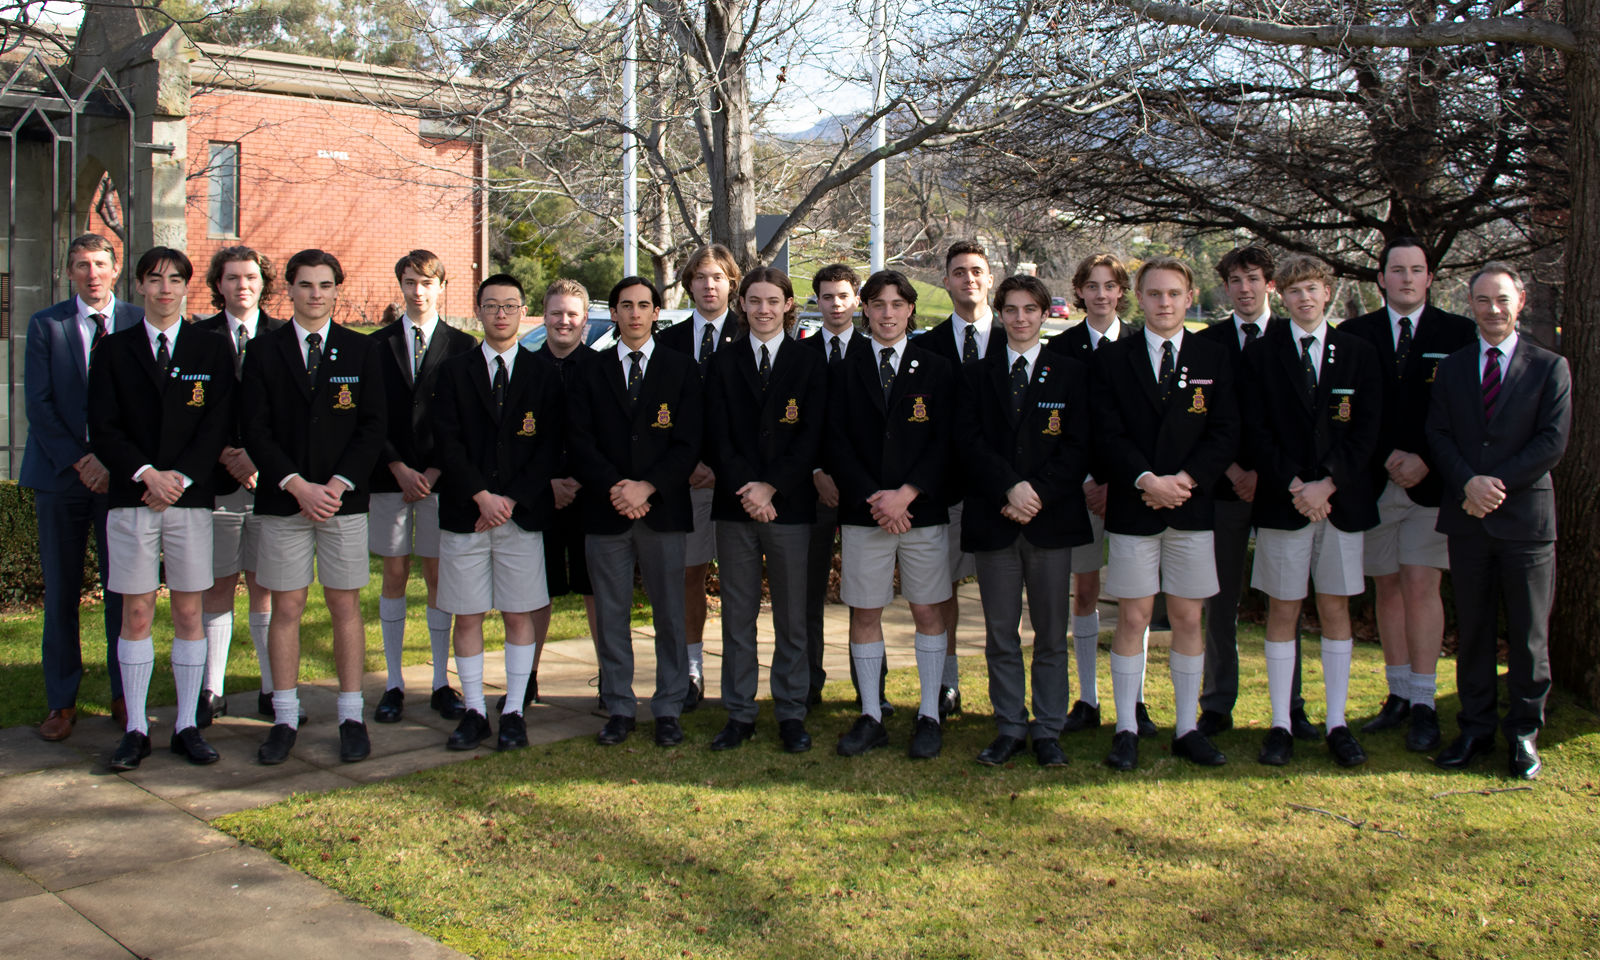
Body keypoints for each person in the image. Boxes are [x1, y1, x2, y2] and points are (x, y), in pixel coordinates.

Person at [87, 247, 234, 769]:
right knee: (137, 610)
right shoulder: (113, 350)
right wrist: (147, 475)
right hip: (133, 497)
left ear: (188, 286)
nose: (165, 289)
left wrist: (181, 477)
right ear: (140, 287)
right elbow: (104, 427)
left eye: (175, 279)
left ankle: (187, 725)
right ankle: (134, 729)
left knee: (190, 610)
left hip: (190, 499)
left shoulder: (210, 351)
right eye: (155, 279)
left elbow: (217, 424)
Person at [1090, 256, 1237, 771]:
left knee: (1188, 617)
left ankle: (1187, 728)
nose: (1165, 303)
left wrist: (1186, 482)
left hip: (1192, 509)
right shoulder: (1115, 359)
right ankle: (1127, 726)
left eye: (1174, 293)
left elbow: (1224, 433)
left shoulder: (1213, 357)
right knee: (1132, 617)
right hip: (1135, 506)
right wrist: (1146, 480)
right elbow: (1107, 432)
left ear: (1189, 296)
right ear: (1140, 298)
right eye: (1154, 294)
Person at [241, 249, 387, 765]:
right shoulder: (263, 353)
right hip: (285, 503)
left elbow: (373, 426)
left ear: (336, 292)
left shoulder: (362, 351)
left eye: (325, 285)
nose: (315, 294)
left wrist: (338, 484)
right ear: (289, 290)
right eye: (305, 285)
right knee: (287, 607)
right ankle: (283, 717)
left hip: (342, 504)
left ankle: (351, 715)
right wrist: (297, 485)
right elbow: (254, 429)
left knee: (345, 606)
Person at [1426, 262, 1571, 780]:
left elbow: (1551, 443)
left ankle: (1525, 733)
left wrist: (1492, 486)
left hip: (1526, 524)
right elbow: (1437, 434)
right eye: (1483, 300)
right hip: (1468, 521)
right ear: (1472, 304)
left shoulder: (1550, 367)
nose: (1492, 310)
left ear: (1521, 301)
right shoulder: (1455, 367)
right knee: (1475, 632)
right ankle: (1474, 729)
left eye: (1502, 300)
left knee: (1530, 635)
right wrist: (1468, 483)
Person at [1240, 254, 1382, 768]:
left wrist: (1328, 484)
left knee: (1336, 609)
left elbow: (1367, 429)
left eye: (1313, 288)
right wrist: (1299, 484)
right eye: (1294, 289)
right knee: (1283, 609)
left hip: (1339, 503)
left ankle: (1338, 723)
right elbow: (1256, 430)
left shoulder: (1358, 354)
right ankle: (1280, 723)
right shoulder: (1261, 355)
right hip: (1286, 500)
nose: (1304, 298)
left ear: (1328, 292)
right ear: (1281, 294)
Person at [1341, 238, 1476, 752]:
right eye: (1396, 270)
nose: (1406, 279)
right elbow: (1348, 411)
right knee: (1388, 590)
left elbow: (1463, 414)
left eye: (1416, 270)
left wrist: (1425, 457)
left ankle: (1424, 702)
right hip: (1371, 484)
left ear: (1429, 278)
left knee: (1422, 585)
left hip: (1431, 484)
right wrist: (1378, 461)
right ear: (1381, 279)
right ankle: (1397, 695)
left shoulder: (1458, 334)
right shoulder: (1354, 335)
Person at [955, 274, 1091, 768]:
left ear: (1043, 314)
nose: (1019, 318)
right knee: (1000, 632)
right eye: (1010, 309)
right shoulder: (976, 374)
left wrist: (1037, 494)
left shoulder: (1071, 373)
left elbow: (1078, 447)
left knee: (1052, 632)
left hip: (1050, 522)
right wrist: (1007, 488)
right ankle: (1010, 725)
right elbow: (969, 443)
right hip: (996, 519)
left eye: (1029, 309)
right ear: (1001, 313)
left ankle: (1049, 728)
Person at [430, 274, 565, 751]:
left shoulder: (544, 374)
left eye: (510, 306)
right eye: (492, 306)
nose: (501, 314)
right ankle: (471, 709)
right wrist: (480, 496)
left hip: (520, 514)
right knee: (466, 616)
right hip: (467, 514)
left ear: (522, 310)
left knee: (518, 613)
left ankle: (512, 710)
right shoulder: (452, 372)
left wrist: (509, 499)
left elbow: (550, 446)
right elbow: (446, 442)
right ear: (479, 311)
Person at [827, 270, 957, 759]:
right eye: (877, 304)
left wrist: (907, 493)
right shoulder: (844, 367)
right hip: (867, 513)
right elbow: (835, 441)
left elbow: (946, 442)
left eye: (896, 304)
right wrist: (875, 498)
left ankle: (928, 713)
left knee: (927, 610)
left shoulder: (938, 367)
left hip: (921, 511)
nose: (886, 314)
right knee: (865, 611)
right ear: (865, 309)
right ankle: (871, 715)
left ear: (910, 310)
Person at [569, 276, 702, 748]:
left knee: (669, 612)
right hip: (606, 511)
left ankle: (668, 705)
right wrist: (616, 488)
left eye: (644, 305)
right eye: (625, 306)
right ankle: (619, 705)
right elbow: (579, 441)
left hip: (662, 510)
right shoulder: (590, 369)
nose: (634, 314)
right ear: (615, 313)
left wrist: (647, 487)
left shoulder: (681, 369)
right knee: (611, 612)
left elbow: (688, 443)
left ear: (656, 313)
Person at [1192, 245, 1317, 741]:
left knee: (1288, 599)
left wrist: (1266, 474)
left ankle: (1292, 705)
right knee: (1219, 599)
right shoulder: (1210, 343)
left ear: (1271, 285)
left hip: (1283, 489)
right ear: (1225, 287)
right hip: (1225, 487)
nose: (1244, 288)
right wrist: (1236, 469)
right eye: (1235, 280)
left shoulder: (1296, 338)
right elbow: (1200, 421)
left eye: (1253, 278)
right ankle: (1218, 701)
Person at [703, 267, 826, 753]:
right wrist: (748, 489)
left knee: (793, 617)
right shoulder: (722, 362)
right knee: (737, 615)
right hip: (736, 508)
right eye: (754, 301)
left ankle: (791, 711)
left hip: (790, 506)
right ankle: (739, 712)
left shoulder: (809, 362)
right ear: (742, 305)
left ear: (789, 305)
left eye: (773, 301)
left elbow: (812, 435)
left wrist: (772, 487)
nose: (763, 309)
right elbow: (717, 435)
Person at [23, 232, 140, 741]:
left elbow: (145, 407)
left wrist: (113, 463)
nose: (91, 273)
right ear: (68, 273)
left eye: (99, 263)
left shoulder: (138, 322)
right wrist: (81, 461)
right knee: (62, 593)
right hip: (59, 479)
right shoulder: (45, 325)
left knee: (124, 591)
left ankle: (123, 694)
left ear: (115, 270)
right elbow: (40, 406)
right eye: (79, 265)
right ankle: (61, 702)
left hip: (120, 481)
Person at [1044, 253, 1156, 738]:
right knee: (1085, 591)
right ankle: (1087, 698)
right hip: (1081, 488)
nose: (1102, 294)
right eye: (1092, 286)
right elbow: (1061, 425)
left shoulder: (1141, 343)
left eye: (1111, 286)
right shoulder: (1063, 348)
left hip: (1135, 488)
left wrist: (1122, 481)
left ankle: (1137, 701)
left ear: (1122, 292)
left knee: (1138, 599)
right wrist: (1089, 481)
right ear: (1079, 291)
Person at [368, 250, 479, 725]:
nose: (418, 291)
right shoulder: (375, 345)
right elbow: (370, 416)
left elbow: (464, 420)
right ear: (401, 285)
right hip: (389, 477)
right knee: (394, 576)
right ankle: (394, 683)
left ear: (441, 287)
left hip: (442, 480)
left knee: (439, 579)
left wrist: (433, 472)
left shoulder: (463, 346)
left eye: (427, 282)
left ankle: (440, 681)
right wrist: (396, 464)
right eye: (410, 282)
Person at [907, 240, 1004, 718]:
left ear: (990, 280)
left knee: (1001, 600)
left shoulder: (1017, 338)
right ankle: (947, 685)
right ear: (945, 281)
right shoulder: (924, 347)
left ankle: (1005, 698)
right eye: (959, 271)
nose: (969, 279)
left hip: (1000, 495)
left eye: (977, 271)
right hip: (942, 493)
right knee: (939, 592)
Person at [193, 245, 285, 724]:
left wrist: (258, 458)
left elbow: (289, 412)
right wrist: (227, 456)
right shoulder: (197, 337)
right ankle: (212, 689)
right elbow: (191, 410)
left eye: (251, 276)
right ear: (218, 284)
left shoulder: (284, 337)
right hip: (217, 483)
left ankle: (272, 688)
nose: (242, 285)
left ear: (263, 282)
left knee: (265, 586)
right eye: (232, 278)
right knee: (219, 585)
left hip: (271, 484)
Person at [656, 244, 742, 711]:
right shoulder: (666, 342)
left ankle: (738, 675)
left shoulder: (752, 336)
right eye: (701, 277)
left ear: (732, 283)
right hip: (684, 482)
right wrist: (687, 465)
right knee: (689, 576)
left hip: (733, 484)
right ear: (688, 283)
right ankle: (692, 670)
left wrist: (720, 468)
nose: (709, 285)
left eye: (718, 277)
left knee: (737, 583)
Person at [803, 264, 891, 713]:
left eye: (843, 296)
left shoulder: (875, 350)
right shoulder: (799, 354)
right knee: (808, 592)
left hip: (863, 495)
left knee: (866, 595)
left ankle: (870, 688)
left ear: (857, 300)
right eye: (826, 296)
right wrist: (817, 471)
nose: (835, 304)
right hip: (814, 489)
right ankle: (808, 682)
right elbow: (799, 424)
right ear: (815, 302)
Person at [514, 278, 601, 714]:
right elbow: (515, 441)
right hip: (537, 495)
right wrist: (546, 483)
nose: (563, 321)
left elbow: (608, 438)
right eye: (555, 313)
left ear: (585, 320)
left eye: (572, 313)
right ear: (543, 316)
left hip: (591, 498)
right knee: (536, 592)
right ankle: (525, 680)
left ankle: (610, 678)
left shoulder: (602, 370)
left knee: (595, 590)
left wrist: (581, 481)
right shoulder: (522, 370)